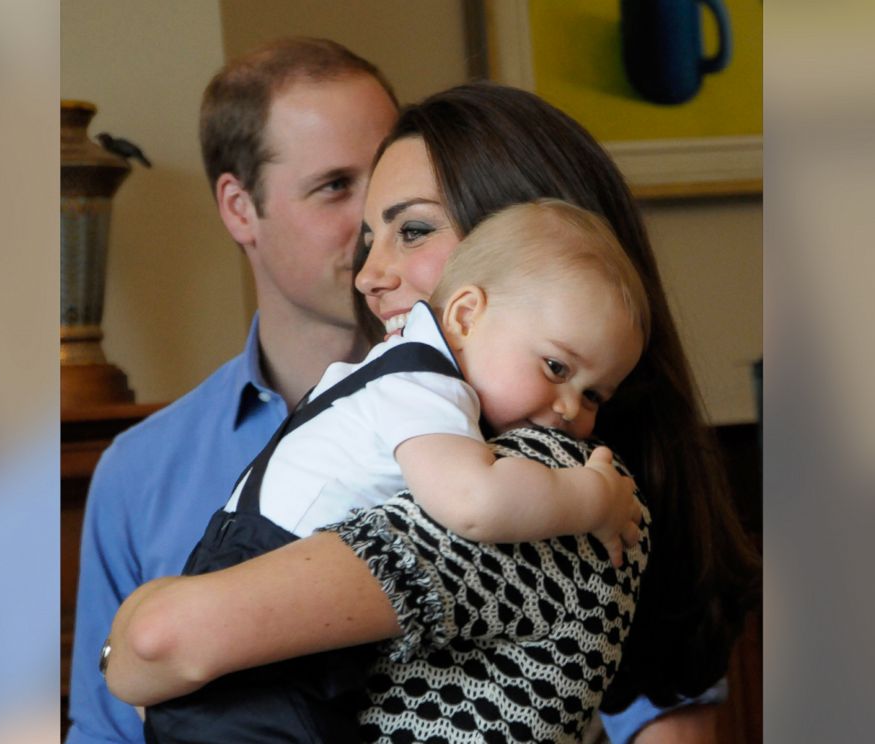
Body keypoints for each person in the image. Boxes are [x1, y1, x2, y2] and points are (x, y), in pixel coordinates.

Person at [104, 83, 759, 743]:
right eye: (369, 234)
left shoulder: (543, 481)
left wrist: (133, 638)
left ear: (527, 241)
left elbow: (162, 640)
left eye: (412, 229)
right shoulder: (451, 425)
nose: (367, 274)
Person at [138, 199, 650, 742]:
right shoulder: (423, 385)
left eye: (593, 393)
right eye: (556, 367)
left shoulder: (396, 372)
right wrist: (592, 499)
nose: (570, 408)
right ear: (466, 315)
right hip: (264, 626)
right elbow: (477, 502)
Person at [64, 37, 399, 744]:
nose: (378, 221)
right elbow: (105, 733)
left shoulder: (497, 410)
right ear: (240, 209)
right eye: (336, 186)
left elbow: (647, 703)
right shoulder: (139, 473)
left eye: (391, 176)